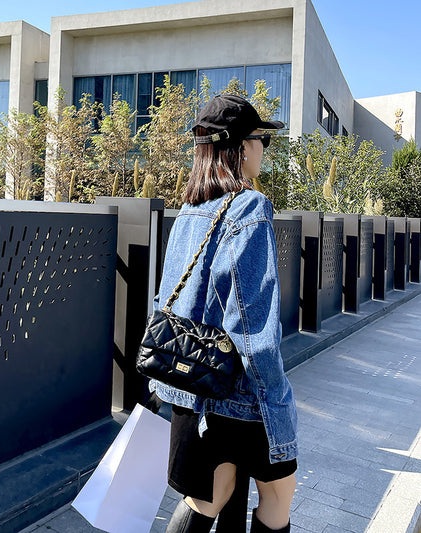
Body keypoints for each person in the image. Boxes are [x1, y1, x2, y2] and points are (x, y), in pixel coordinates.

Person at [149, 95, 298, 533]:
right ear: (239, 147)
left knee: (208, 496)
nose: (263, 150)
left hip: (195, 386)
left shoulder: (188, 213)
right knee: (278, 495)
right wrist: (277, 394)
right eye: (260, 140)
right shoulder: (250, 208)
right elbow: (252, 326)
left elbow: (166, 303)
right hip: (243, 392)